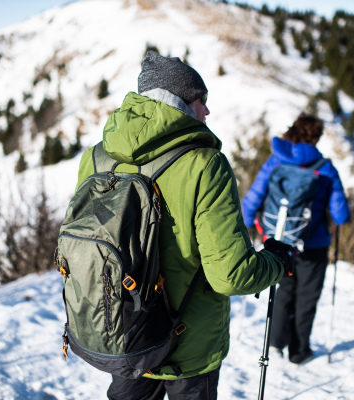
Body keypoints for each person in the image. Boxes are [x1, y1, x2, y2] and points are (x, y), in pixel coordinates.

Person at [73, 51, 293, 400]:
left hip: (123, 333)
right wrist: (278, 262)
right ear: (177, 102)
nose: (206, 110)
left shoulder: (97, 157)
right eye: (199, 100)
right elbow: (230, 274)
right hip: (187, 346)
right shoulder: (206, 165)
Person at [242, 113, 350, 365]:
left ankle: (276, 343)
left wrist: (257, 228)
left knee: (285, 290)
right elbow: (341, 215)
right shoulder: (325, 168)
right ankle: (299, 351)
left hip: (280, 244)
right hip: (314, 245)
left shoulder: (275, 162)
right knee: (307, 297)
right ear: (317, 136)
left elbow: (249, 206)